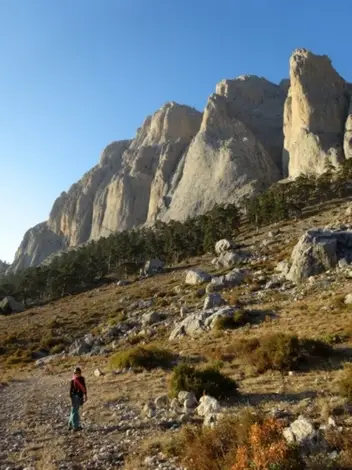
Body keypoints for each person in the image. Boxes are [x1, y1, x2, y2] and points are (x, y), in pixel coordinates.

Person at [68, 367, 87, 431]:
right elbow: (70, 390)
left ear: (80, 373)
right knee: (75, 412)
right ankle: (75, 426)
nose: (77, 374)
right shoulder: (73, 380)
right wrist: (71, 398)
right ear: (74, 373)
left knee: (73, 411)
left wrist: (85, 395)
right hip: (75, 397)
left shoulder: (82, 379)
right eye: (75, 373)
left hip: (80, 396)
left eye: (78, 373)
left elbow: (84, 387)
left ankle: (70, 425)